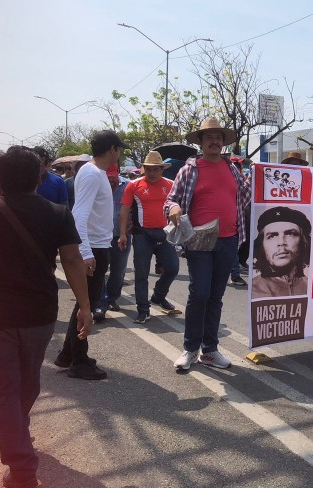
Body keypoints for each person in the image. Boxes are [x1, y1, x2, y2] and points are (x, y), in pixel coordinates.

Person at [0, 146, 93, 488]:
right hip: (39, 315)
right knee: (25, 384)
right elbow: (73, 261)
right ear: (40, 178)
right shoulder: (58, 213)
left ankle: (14, 440)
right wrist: (84, 307)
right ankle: (23, 464)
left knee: (4, 393)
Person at [166, 118, 251, 371]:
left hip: (229, 238)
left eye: (218, 137)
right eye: (209, 137)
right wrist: (174, 208)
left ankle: (210, 351)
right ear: (201, 142)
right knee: (199, 293)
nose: (214, 141)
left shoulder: (233, 169)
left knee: (215, 296)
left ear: (223, 143)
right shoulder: (189, 169)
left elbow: (246, 197)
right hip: (200, 239)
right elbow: (171, 200)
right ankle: (191, 349)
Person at [56, 130, 125, 380]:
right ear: (112, 150)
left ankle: (68, 354)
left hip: (97, 246)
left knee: (82, 303)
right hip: (93, 248)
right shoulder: (93, 174)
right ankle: (79, 362)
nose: (120, 154)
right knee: (86, 305)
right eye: (120, 149)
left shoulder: (93, 172)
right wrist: (85, 252)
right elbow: (80, 214)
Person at [119, 151, 180, 324]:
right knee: (141, 274)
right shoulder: (133, 185)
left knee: (173, 268)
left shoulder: (171, 185)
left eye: (156, 169)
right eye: (149, 169)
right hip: (142, 235)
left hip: (164, 233)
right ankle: (143, 309)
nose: (152, 173)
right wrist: (123, 233)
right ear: (144, 169)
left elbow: (179, 208)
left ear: (162, 169)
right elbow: (124, 211)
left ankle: (159, 296)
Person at [95, 164, 130, 320]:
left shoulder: (129, 186)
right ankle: (100, 304)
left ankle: (111, 298)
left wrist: (133, 222)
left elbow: (136, 206)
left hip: (121, 235)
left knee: (118, 270)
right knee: (101, 269)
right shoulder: (97, 185)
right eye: (107, 178)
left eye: (113, 177)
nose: (110, 181)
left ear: (118, 173)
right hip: (101, 235)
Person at [251, 207, 311, 298]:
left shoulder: (312, 287)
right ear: (261, 244)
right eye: (272, 236)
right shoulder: (254, 290)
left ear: (303, 242)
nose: (281, 242)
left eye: (290, 234)